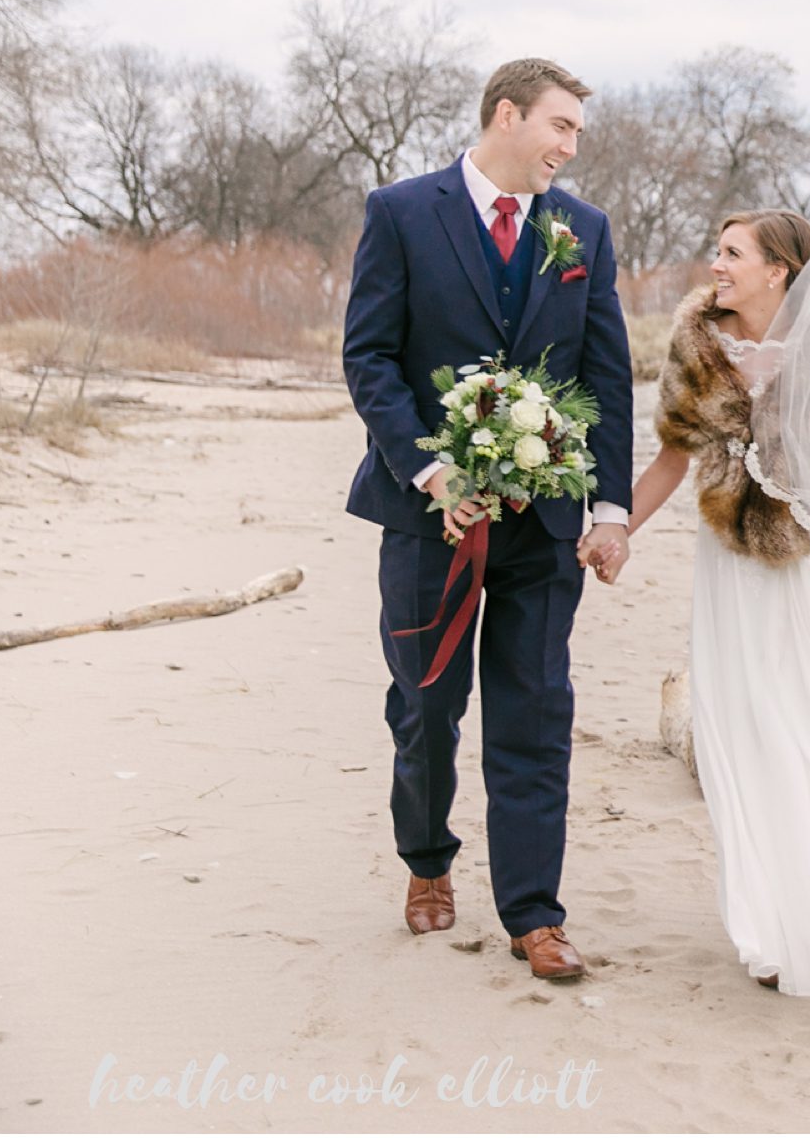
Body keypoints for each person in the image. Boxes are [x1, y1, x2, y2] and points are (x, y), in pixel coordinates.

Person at [341, 57, 634, 981]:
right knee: (426, 709)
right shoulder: (400, 212)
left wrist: (612, 505)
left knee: (536, 712)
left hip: (543, 525)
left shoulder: (582, 229)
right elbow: (370, 358)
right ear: (507, 116)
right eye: (560, 126)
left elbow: (606, 375)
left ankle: (533, 914)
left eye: (577, 133)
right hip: (429, 516)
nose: (569, 146)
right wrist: (428, 468)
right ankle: (427, 860)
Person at [594, 208, 810, 995]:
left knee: (809, 727)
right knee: (740, 732)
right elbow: (672, 459)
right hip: (729, 571)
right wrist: (619, 531)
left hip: (805, 565)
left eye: (732, 253)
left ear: (779, 269)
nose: (716, 265)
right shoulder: (696, 343)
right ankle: (769, 922)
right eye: (717, 251)